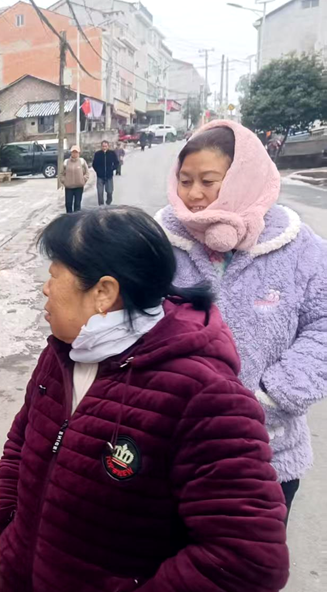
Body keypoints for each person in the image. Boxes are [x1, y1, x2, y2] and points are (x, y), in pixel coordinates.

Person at [0, 206, 290, 592]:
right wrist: (7, 526)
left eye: (54, 276)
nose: (45, 290)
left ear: (103, 293)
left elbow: (247, 559)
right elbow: (21, 441)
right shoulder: (65, 352)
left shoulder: (204, 395)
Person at [156, 119, 327, 521]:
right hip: (170, 445)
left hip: (266, 450)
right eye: (185, 180)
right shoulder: (160, 240)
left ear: (241, 179)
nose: (194, 195)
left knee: (245, 569)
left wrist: (272, 394)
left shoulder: (298, 247)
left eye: (208, 181)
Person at [60, 145, 89, 213]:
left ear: (79, 153)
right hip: (69, 187)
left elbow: (87, 173)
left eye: (76, 152)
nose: (74, 154)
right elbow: (61, 174)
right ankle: (69, 219)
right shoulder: (66, 162)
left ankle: (76, 219)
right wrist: (64, 181)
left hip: (79, 187)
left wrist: (83, 180)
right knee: (68, 204)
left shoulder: (82, 161)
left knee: (77, 204)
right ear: (71, 153)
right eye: (73, 152)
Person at [92, 140, 118, 206]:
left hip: (109, 176)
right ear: (101, 146)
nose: (104, 147)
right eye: (103, 146)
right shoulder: (97, 154)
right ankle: (101, 205)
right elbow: (94, 164)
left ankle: (108, 201)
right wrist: (98, 171)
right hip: (100, 176)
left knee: (109, 191)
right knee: (100, 192)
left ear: (108, 146)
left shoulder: (112, 153)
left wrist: (112, 169)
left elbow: (117, 163)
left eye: (106, 146)